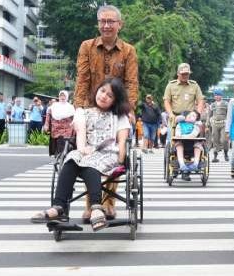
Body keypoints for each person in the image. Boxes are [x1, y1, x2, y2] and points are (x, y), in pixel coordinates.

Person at [30, 78, 131, 231]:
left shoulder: (120, 117)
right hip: (87, 151)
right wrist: (83, 149)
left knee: (90, 162)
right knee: (71, 158)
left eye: (110, 95)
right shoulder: (83, 112)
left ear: (115, 100)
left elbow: (122, 141)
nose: (104, 96)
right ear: (97, 91)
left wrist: (121, 161)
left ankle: (96, 207)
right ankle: (59, 207)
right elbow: (81, 136)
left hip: (109, 154)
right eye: (102, 91)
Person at [74, 4, 139, 221]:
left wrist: (129, 109)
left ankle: (109, 201)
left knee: (114, 150)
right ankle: (90, 203)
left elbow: (131, 83)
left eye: (111, 21)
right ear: (98, 23)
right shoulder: (87, 46)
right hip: (91, 106)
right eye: (103, 21)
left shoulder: (129, 50)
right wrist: (79, 110)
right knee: (88, 152)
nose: (106, 25)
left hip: (117, 108)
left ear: (119, 25)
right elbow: (82, 80)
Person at [163, 62, 205, 180]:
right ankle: (175, 167)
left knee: (194, 141)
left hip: (190, 119)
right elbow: (166, 101)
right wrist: (171, 115)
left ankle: (186, 170)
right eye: (183, 74)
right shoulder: (171, 86)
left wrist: (197, 114)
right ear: (178, 74)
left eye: (187, 74)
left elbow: (201, 100)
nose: (185, 76)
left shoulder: (194, 86)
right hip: (176, 118)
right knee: (174, 142)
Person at [43, 90, 76, 156]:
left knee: (67, 142)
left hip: (67, 129)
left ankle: (66, 155)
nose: (62, 97)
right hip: (56, 129)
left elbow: (74, 118)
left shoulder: (71, 107)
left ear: (67, 97)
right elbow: (48, 116)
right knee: (57, 143)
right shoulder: (54, 106)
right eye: (61, 96)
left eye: (64, 96)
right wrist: (46, 125)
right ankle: (58, 155)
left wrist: (75, 127)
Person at [174, 110, 203, 179]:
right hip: (182, 143)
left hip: (192, 144)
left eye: (193, 116)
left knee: (198, 146)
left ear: (196, 119)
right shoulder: (179, 125)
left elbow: (193, 135)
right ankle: (182, 164)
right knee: (179, 145)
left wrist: (183, 136)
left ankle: (195, 164)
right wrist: (180, 136)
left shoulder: (196, 126)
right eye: (189, 115)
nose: (191, 116)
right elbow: (177, 134)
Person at [208, 89, 229, 162]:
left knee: (224, 140)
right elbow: (209, 115)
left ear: (222, 96)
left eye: (219, 95)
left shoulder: (226, 104)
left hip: (224, 123)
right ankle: (215, 155)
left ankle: (226, 153)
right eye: (216, 95)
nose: (217, 96)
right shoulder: (212, 105)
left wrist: (229, 123)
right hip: (215, 123)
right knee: (215, 139)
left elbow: (229, 114)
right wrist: (208, 124)